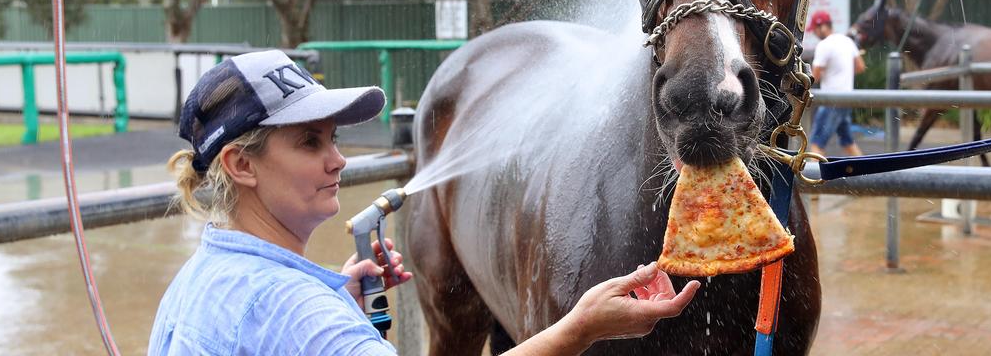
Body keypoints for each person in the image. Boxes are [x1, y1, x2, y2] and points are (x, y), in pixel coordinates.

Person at [150, 49, 699, 356]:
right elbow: (290, 323)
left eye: (334, 139)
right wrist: (581, 328)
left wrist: (339, 299)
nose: (337, 161)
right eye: (310, 143)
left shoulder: (196, 283)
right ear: (241, 166)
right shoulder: (294, 312)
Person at [808, 11, 866, 157]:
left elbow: (814, 77)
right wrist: (841, 71)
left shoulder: (824, 45)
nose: (814, 33)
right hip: (846, 99)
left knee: (816, 144)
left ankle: (813, 177)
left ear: (822, 27)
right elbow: (860, 67)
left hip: (831, 101)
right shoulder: (847, 41)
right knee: (848, 143)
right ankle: (868, 175)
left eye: (815, 29)